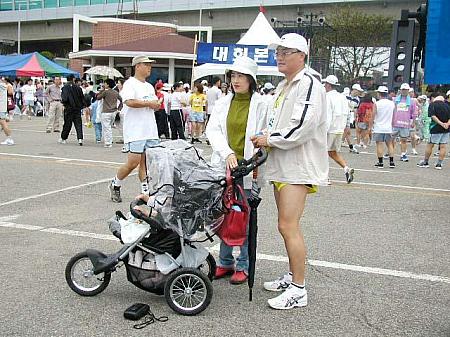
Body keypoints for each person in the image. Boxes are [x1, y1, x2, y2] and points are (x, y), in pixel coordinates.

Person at [251, 33, 329, 310]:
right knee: (285, 225)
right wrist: (265, 136)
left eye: (287, 52)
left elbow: (303, 126)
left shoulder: (308, 83)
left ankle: (299, 289)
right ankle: (292, 277)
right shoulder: (286, 85)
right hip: (283, 164)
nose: (280, 56)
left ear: (302, 56)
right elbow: (279, 122)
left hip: (298, 166)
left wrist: (269, 139)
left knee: (288, 225)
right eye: (278, 51)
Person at [206, 56, 267, 285]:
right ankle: (224, 262)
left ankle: (243, 265)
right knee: (224, 215)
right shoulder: (223, 102)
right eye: (233, 75)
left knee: (244, 218)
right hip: (226, 167)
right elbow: (213, 131)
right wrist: (227, 153)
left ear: (251, 79)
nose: (236, 80)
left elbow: (265, 132)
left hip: (249, 169)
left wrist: (256, 154)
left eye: (241, 76)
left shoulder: (262, 103)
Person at [109, 55, 162, 203]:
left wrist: (156, 105)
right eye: (146, 64)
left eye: (150, 65)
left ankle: (145, 191)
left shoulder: (149, 86)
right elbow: (129, 102)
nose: (149, 67)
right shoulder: (130, 84)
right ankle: (115, 183)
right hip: (135, 130)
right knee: (133, 162)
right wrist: (149, 103)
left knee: (145, 162)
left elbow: (151, 104)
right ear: (137, 66)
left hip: (150, 130)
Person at [323, 75, 354, 183]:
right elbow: (347, 113)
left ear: (328, 85)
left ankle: (325, 177)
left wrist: (323, 130)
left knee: (322, 152)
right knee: (332, 152)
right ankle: (346, 168)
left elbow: (328, 115)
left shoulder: (328, 97)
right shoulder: (342, 97)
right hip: (339, 129)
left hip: (330, 129)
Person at [417, 95, 450, 169]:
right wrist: (447, 124)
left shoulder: (432, 105)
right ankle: (439, 164)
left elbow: (432, 116)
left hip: (435, 128)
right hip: (446, 129)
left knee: (430, 145)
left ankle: (425, 162)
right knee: (443, 146)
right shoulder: (447, 105)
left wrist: (441, 123)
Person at [392, 83, 417, 162]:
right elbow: (392, 110)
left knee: (404, 140)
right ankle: (390, 152)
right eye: (403, 90)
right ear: (400, 90)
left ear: (408, 91)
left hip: (405, 123)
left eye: (406, 90)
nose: (404, 91)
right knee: (391, 139)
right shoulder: (395, 99)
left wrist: (413, 122)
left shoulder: (412, 101)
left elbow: (414, 113)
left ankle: (403, 154)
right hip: (395, 123)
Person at [373, 86, 396, 168]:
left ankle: (380, 162)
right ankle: (391, 162)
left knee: (379, 144)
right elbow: (394, 116)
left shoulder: (377, 103)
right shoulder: (392, 103)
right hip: (388, 127)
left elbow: (373, 115)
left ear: (379, 94)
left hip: (378, 127)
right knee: (389, 144)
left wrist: (371, 124)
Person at [59, 75, 86, 145]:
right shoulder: (78, 88)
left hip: (68, 108)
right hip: (77, 108)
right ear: (73, 79)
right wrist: (82, 105)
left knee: (67, 124)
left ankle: (64, 138)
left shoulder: (65, 88)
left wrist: (64, 103)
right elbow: (82, 98)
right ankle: (80, 139)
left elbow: (64, 98)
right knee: (78, 124)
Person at [97, 78, 122, 148]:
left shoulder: (105, 92)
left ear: (108, 84)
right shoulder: (116, 92)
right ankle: (109, 141)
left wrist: (101, 91)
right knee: (109, 127)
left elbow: (98, 97)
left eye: (105, 83)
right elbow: (121, 100)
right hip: (114, 112)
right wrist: (119, 109)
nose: (104, 84)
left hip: (106, 112)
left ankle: (108, 142)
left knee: (106, 128)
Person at [343, 83, 364, 154]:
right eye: (358, 91)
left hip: (348, 115)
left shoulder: (357, 100)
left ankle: (350, 147)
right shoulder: (345, 95)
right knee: (344, 131)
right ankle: (349, 146)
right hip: (341, 114)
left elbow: (355, 109)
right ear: (354, 90)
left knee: (347, 131)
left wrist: (355, 118)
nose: (359, 93)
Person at [0, 77, 14, 145]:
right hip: (3, 106)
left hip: (1, 107)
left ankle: (9, 139)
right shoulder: (4, 85)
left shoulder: (2, 85)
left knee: (3, 123)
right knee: (3, 122)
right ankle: (9, 138)